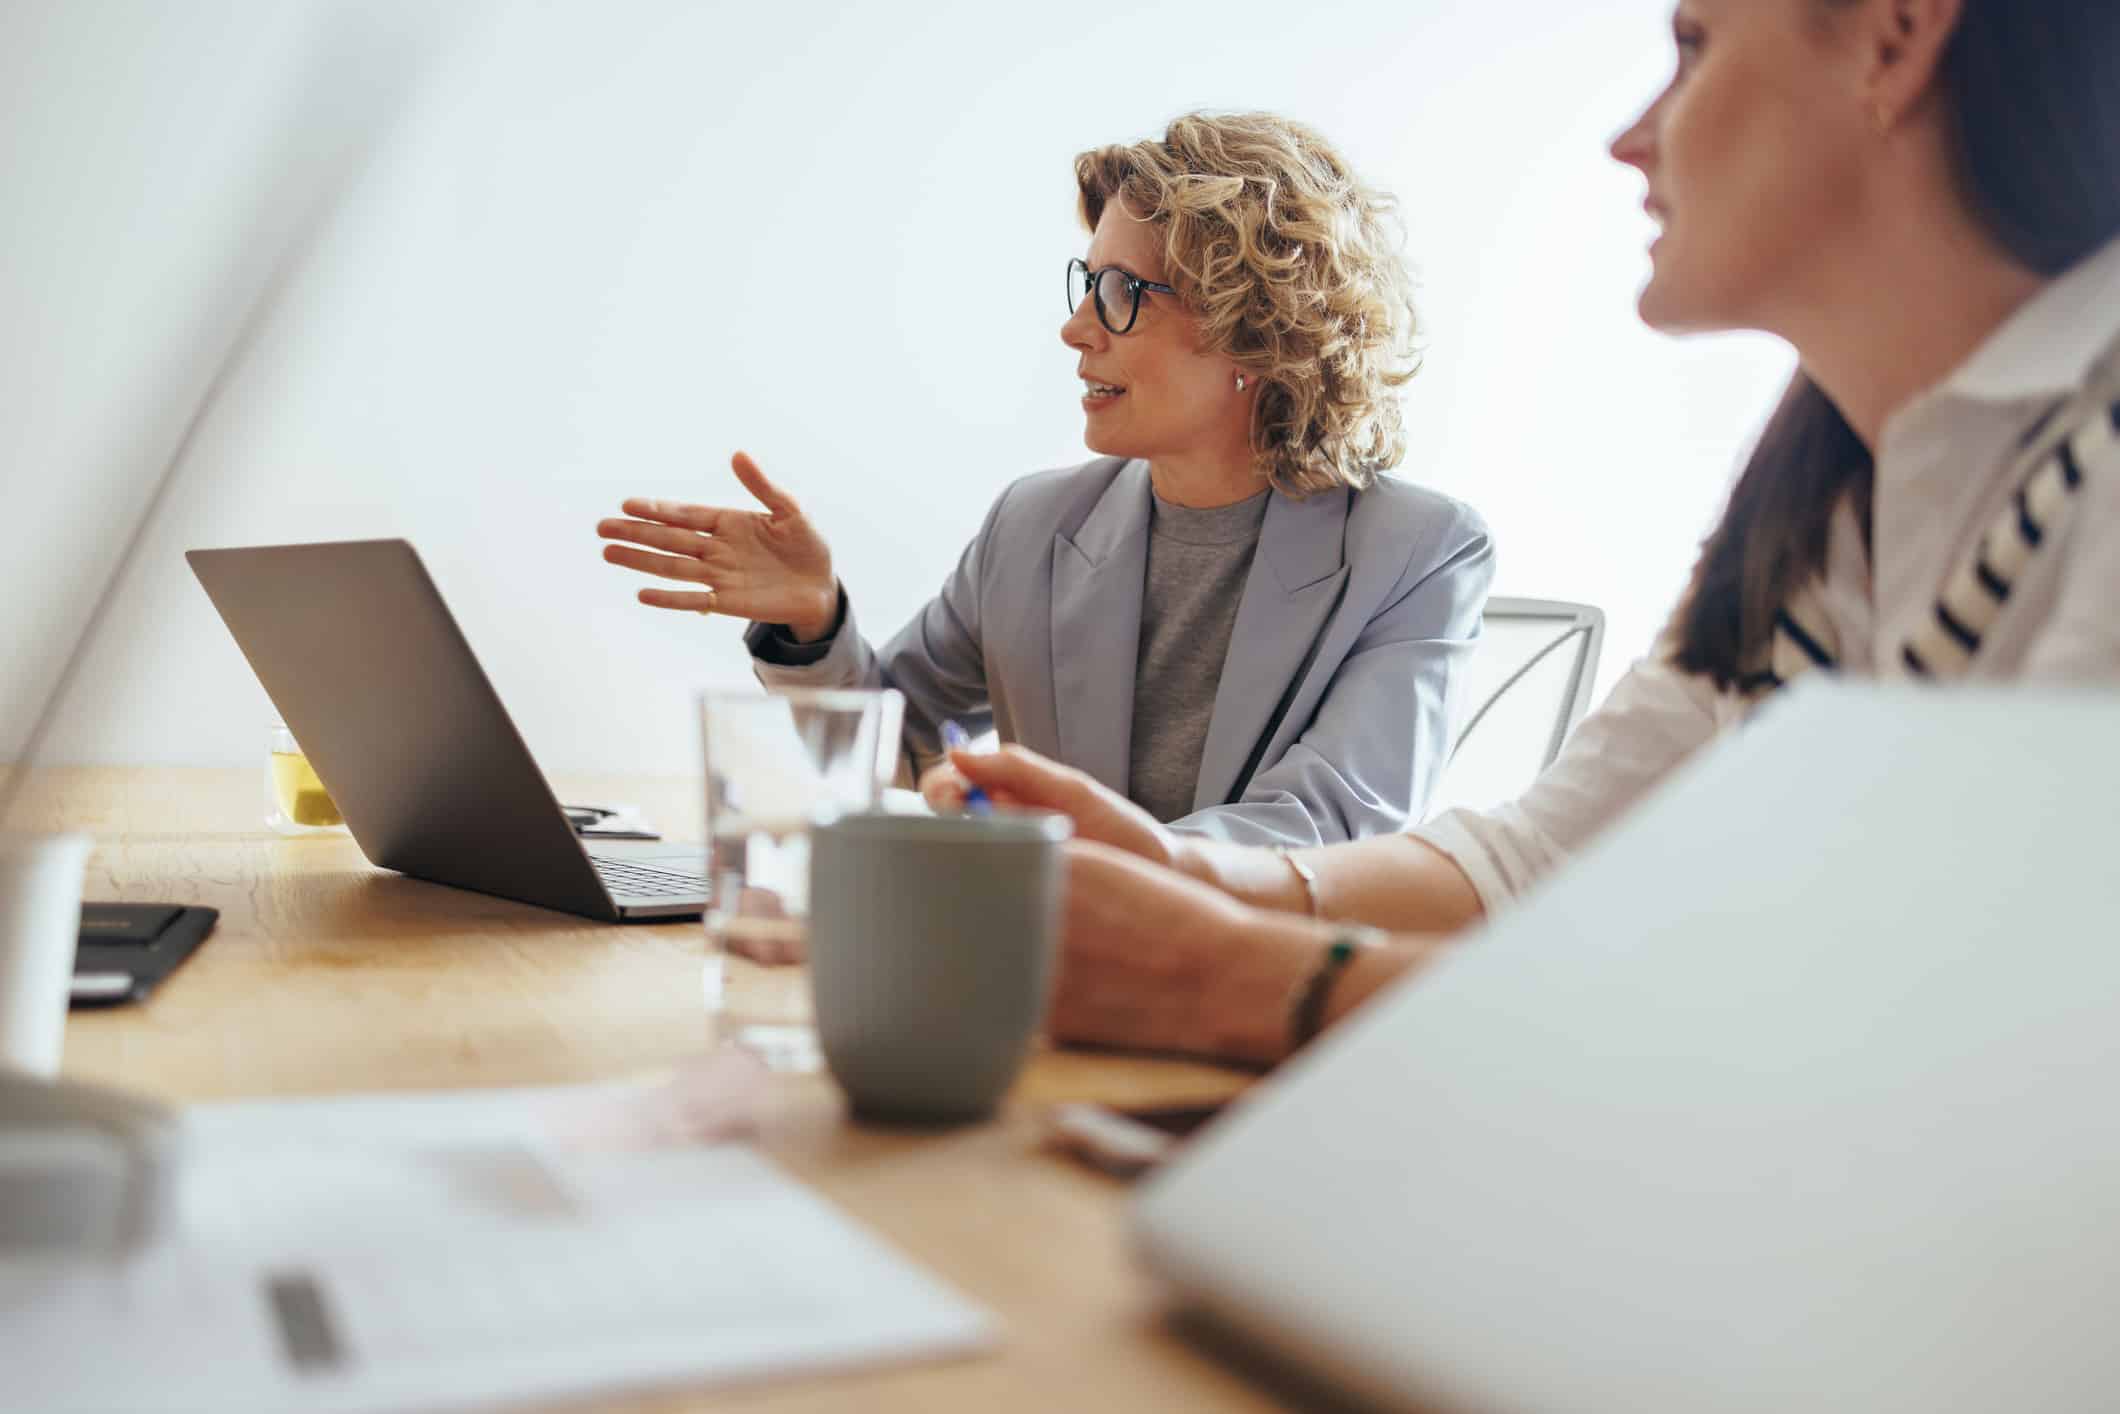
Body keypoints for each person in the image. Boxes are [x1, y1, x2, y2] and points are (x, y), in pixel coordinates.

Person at [943, 0, 2120, 1066]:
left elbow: (1971, 1047)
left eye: (1693, 47)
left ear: (1893, 37)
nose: (1629, 137)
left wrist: (1236, 974)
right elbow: (1528, 860)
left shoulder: (2083, 477)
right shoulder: (1830, 499)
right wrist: (1183, 873)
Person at [598, 112, 1493, 879]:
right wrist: (812, 622)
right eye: (1086, 282)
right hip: (1044, 973)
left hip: (1247, 1002)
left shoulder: (1416, 550)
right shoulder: (1034, 523)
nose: (1075, 330)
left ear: (1255, 326)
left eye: (1120, 293)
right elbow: (892, 745)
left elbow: (1331, 829)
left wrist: (1057, 864)